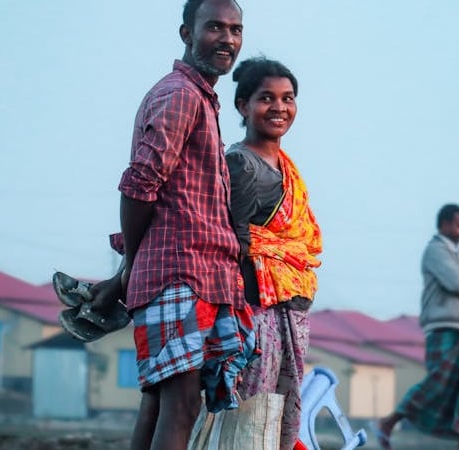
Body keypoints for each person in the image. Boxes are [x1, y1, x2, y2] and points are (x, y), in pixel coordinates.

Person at [56, 1, 255, 449]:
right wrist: (132, 260)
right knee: (181, 405)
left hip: (193, 275)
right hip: (181, 274)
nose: (227, 39)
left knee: (162, 404)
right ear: (187, 34)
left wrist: (125, 274)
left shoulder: (199, 97)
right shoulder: (180, 96)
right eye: (215, 28)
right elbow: (139, 185)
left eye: (236, 30)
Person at [211, 56, 321, 450]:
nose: (279, 107)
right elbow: (230, 244)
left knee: (276, 421)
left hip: (287, 310)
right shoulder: (242, 165)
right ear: (243, 105)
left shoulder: (285, 166)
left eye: (288, 98)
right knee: (251, 418)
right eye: (266, 98)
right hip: (254, 315)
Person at [376, 204, 459, 450]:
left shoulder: (458, 254)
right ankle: (390, 421)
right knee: (438, 382)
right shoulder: (436, 251)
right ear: (445, 225)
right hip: (443, 327)